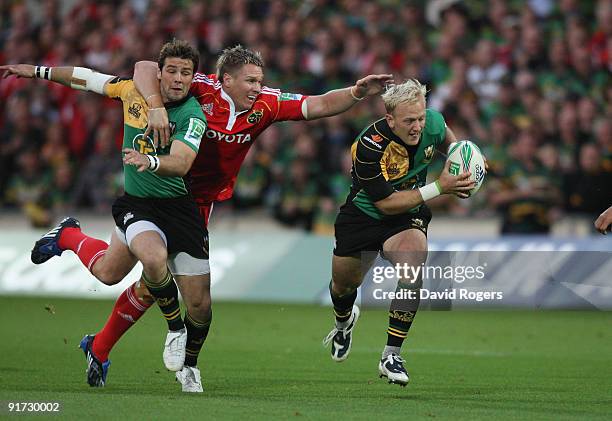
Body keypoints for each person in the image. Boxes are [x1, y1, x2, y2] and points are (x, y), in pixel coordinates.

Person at [54, 44, 391, 388]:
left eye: (260, 81)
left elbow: (316, 104)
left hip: (196, 205)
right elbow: (143, 68)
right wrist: (155, 107)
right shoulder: (199, 87)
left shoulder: (266, 104)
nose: (257, 88)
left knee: (148, 282)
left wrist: (356, 92)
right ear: (226, 79)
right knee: (120, 275)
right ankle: (73, 254)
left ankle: (119, 347)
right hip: (155, 193)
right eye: (250, 81)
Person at [0, 40, 210, 392]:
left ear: (193, 77)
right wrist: (38, 72)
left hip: (179, 209)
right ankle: (175, 329)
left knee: (112, 274)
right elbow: (85, 78)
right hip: (138, 204)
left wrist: (153, 161)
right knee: (154, 258)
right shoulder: (133, 92)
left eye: (185, 73)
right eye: (171, 71)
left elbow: (183, 163)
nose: (177, 79)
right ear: (160, 73)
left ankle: (68, 236)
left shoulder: (192, 114)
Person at [321, 79, 475, 386]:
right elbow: (387, 204)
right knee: (342, 286)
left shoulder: (432, 121)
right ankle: (344, 321)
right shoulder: (368, 146)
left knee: (412, 263)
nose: (418, 126)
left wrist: (463, 158)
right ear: (390, 119)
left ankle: (391, 354)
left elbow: (447, 138)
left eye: (420, 117)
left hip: (408, 215)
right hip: (364, 215)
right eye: (409, 121)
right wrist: (441, 187)